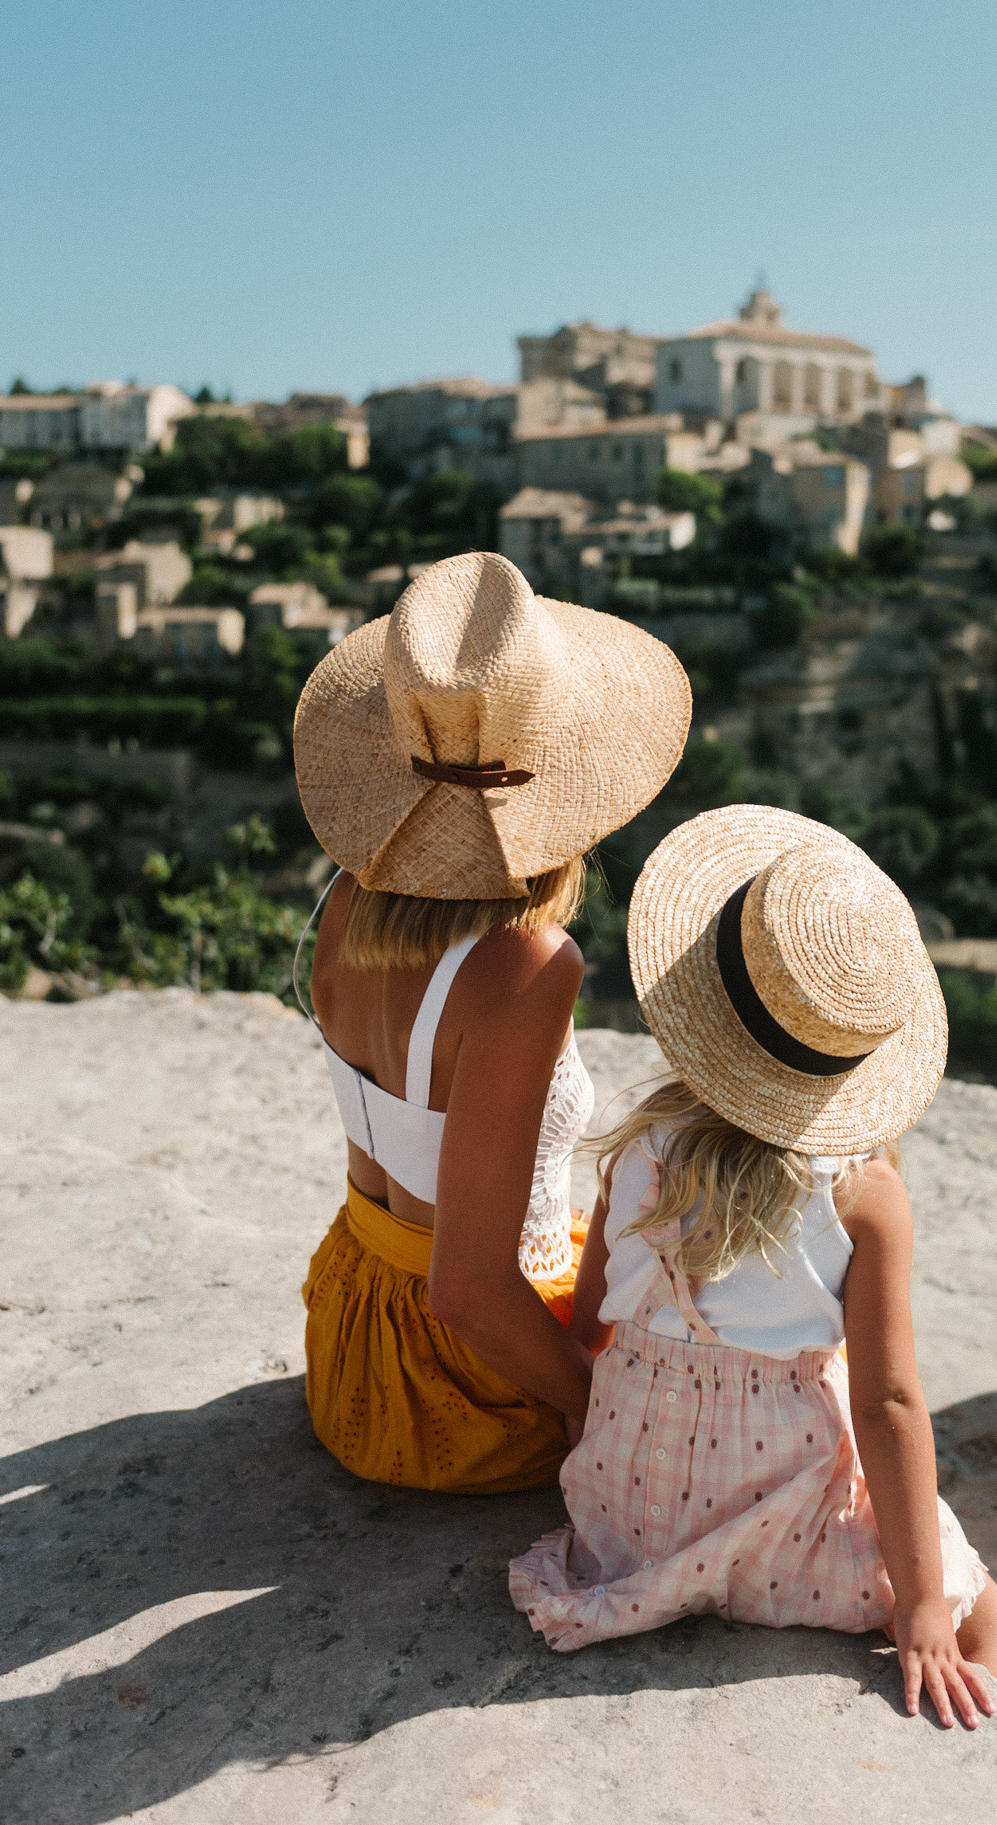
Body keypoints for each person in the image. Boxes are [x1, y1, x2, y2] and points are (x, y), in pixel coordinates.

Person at [510, 803, 997, 1724]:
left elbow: (588, 1329)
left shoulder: (638, 1152)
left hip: (626, 1519)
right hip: (780, 1519)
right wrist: (928, 1607)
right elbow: (889, 1403)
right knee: (986, 1613)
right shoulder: (863, 1197)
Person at [291, 551, 690, 1494]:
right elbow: (469, 1291)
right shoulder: (525, 967)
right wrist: (595, 1405)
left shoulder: (349, 900)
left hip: (351, 1335)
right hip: (463, 1385)